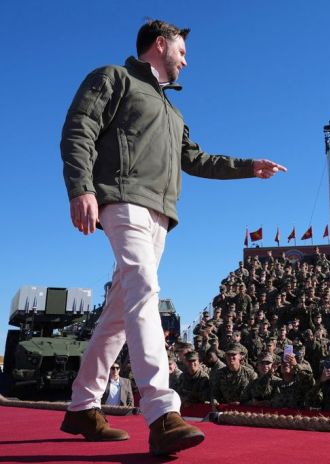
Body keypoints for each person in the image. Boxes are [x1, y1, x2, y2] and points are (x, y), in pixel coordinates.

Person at [59, 19, 287, 456]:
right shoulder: (115, 78)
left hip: (161, 216)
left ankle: (83, 406)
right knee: (144, 289)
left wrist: (248, 167)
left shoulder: (172, 111)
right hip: (122, 199)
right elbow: (79, 128)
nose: (187, 60)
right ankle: (162, 412)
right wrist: (81, 188)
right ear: (160, 44)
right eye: (182, 50)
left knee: (118, 313)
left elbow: (196, 159)